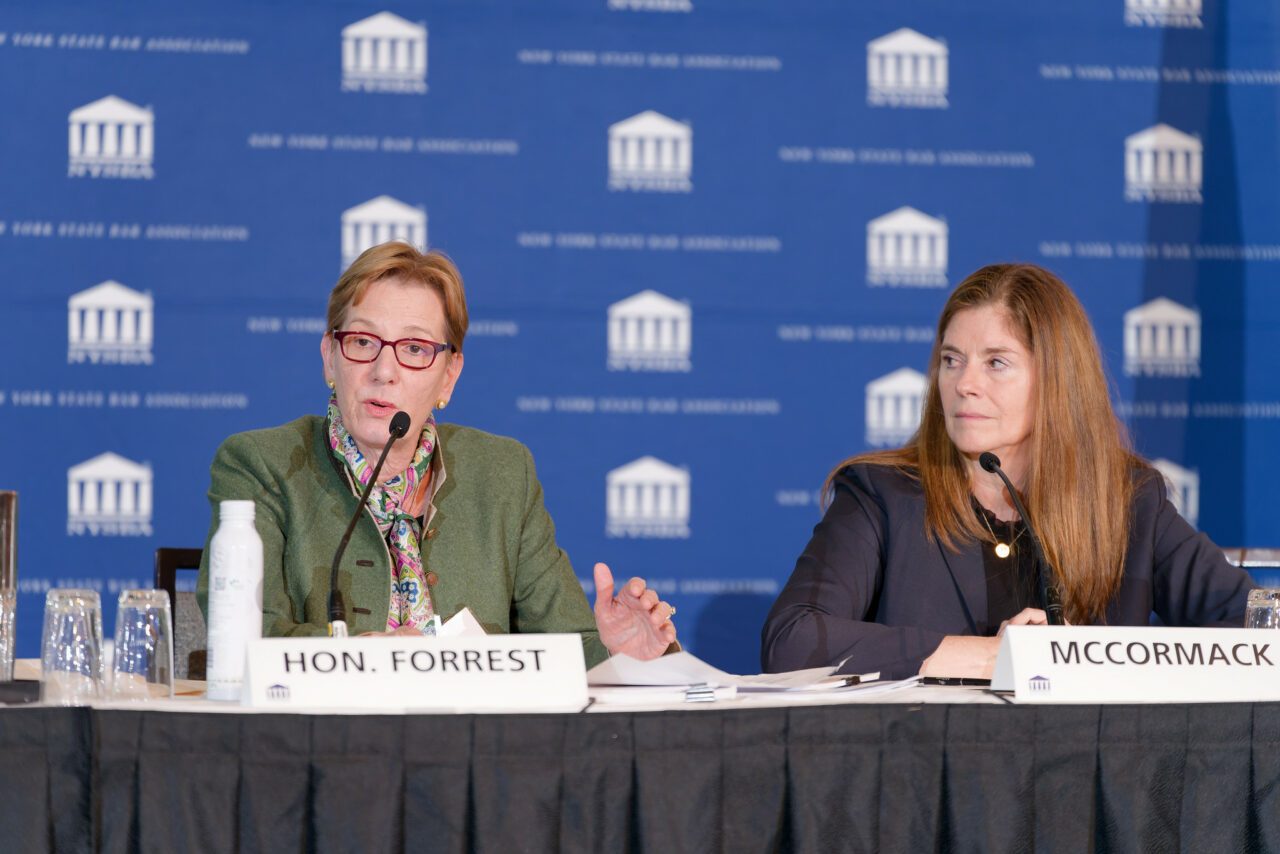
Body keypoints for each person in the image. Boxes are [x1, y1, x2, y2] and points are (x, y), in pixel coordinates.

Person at [761, 263, 1255, 680]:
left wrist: (1095, 661)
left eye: (996, 362)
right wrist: (993, 658)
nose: (964, 384)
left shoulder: (1128, 501)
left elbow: (1255, 627)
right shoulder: (882, 495)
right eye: (952, 361)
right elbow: (791, 640)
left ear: (1057, 381)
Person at [197, 241, 677, 667]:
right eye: (363, 342)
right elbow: (240, 636)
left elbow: (569, 649)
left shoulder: (503, 474)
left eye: (414, 349)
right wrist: (361, 653)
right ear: (329, 356)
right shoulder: (261, 465)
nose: (384, 370)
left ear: (449, 376)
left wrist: (619, 652)